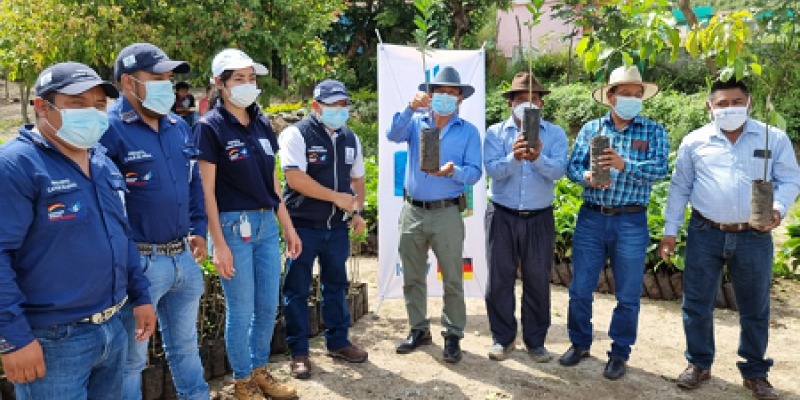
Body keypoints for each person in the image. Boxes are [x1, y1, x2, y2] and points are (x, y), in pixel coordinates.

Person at [0, 62, 156, 399]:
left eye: (99, 105)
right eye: (76, 103)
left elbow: (122, 235)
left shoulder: (102, 162)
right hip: (53, 340)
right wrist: (12, 339)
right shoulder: (16, 165)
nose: (92, 113)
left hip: (113, 327)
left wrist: (141, 296)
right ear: (42, 107)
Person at [659, 79, 800, 400]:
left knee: (755, 307)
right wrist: (670, 230)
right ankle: (699, 363)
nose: (729, 108)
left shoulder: (772, 138)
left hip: (754, 235)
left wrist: (778, 208)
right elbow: (680, 187)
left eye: (737, 102)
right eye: (722, 103)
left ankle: (755, 371)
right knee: (697, 302)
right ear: (710, 107)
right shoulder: (695, 141)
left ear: (749, 103)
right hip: (705, 232)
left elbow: (790, 178)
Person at [100, 42, 210, 400]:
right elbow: (105, 207)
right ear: (128, 82)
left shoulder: (178, 126)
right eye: (158, 78)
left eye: (169, 78)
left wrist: (199, 229)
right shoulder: (109, 129)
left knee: (186, 348)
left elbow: (193, 182)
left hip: (182, 257)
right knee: (131, 361)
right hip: (140, 262)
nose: (168, 85)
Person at [197, 48, 299, 400]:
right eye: (238, 78)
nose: (247, 84)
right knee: (241, 310)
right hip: (231, 226)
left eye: (251, 78)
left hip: (266, 224)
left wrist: (287, 226)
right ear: (219, 83)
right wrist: (218, 244)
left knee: (268, 305)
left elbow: (273, 182)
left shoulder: (261, 123)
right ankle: (242, 381)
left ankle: (259, 371)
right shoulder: (209, 127)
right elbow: (206, 191)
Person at [561, 66, 669, 379]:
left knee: (628, 293)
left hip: (631, 220)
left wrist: (624, 164)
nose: (633, 99)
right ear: (610, 96)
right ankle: (579, 343)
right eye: (626, 94)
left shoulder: (653, 131)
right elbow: (572, 167)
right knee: (580, 288)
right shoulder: (591, 128)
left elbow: (660, 170)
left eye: (637, 95)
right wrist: (585, 176)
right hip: (592, 217)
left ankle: (620, 353)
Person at [386, 66, 482, 363]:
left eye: (452, 93)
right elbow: (392, 135)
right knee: (412, 276)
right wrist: (409, 107)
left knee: (453, 277)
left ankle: (453, 335)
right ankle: (418, 329)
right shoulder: (416, 122)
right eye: (440, 92)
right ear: (430, 95)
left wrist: (454, 172)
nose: (446, 97)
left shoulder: (468, 131)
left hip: (447, 212)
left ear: (460, 99)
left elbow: (475, 173)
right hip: (412, 210)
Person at [279, 78, 368, 379]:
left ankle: (339, 342)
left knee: (336, 286)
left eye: (344, 105)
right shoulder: (297, 134)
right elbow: (295, 178)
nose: (340, 110)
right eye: (333, 105)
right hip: (303, 226)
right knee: (297, 290)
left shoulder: (351, 138)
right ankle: (299, 352)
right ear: (317, 106)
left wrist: (358, 210)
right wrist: (336, 198)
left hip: (337, 228)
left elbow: (357, 179)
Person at [483, 72, 568, 362]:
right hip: (501, 214)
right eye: (520, 99)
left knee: (537, 279)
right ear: (510, 103)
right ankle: (502, 338)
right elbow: (493, 170)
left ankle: (536, 341)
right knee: (499, 279)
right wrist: (515, 157)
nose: (527, 104)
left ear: (541, 104)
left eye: (533, 99)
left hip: (539, 216)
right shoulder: (495, 133)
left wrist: (538, 158)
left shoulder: (554, 134)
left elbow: (558, 171)